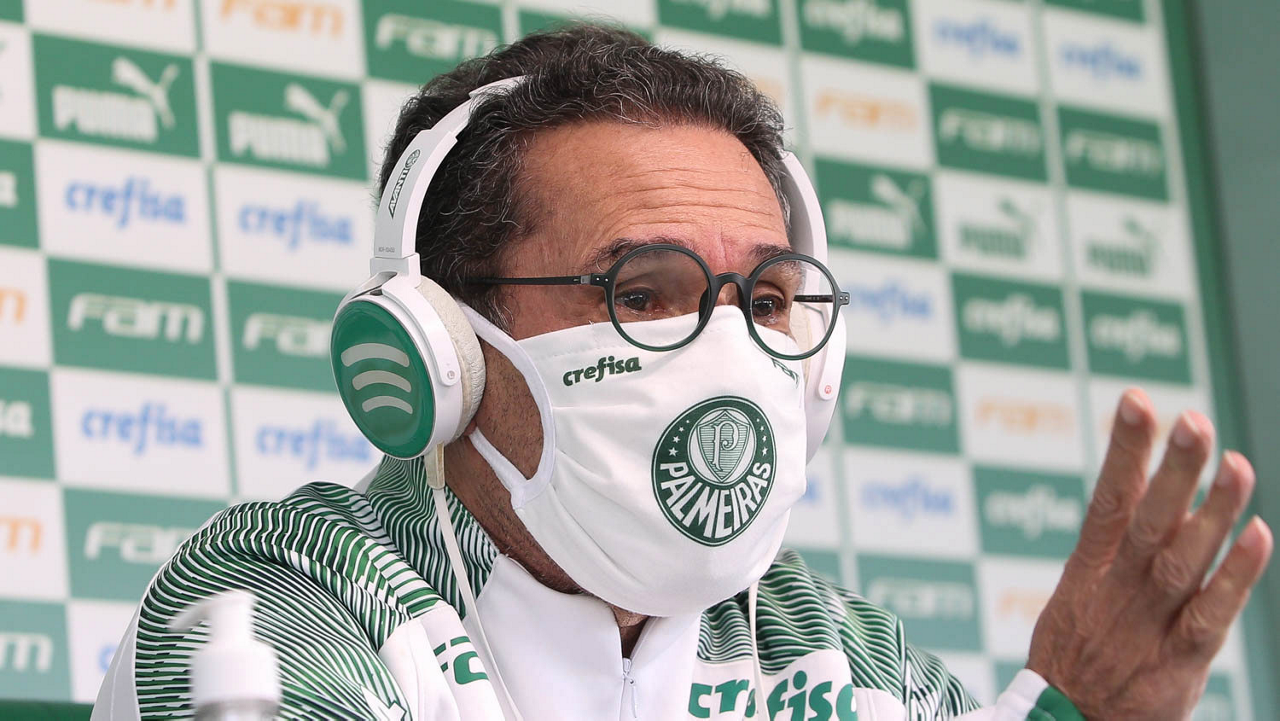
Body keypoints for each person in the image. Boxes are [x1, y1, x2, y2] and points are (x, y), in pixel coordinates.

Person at [93, 24, 1272, 720]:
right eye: (643, 292)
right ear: (442, 346)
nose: (727, 355)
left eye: (764, 302)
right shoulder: (269, 602)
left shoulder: (835, 655)